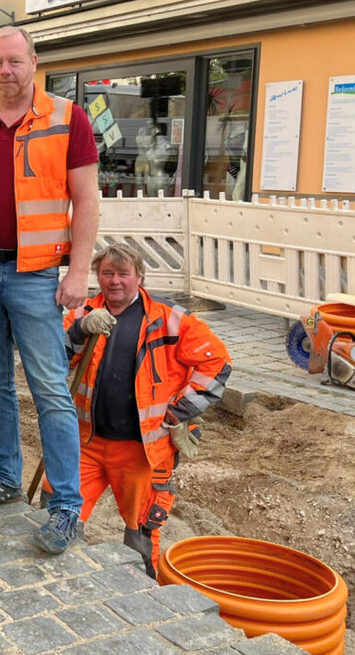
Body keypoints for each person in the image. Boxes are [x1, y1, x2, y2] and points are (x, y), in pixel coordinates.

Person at [0, 25, 99, 555]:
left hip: (34, 275)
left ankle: (65, 508)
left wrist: (78, 272)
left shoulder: (67, 118)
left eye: (14, 61)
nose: (5, 72)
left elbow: (86, 199)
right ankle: (6, 477)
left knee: (51, 390)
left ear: (34, 61)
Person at [60, 244, 231, 576]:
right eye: (107, 273)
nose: (114, 281)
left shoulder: (169, 319)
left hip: (141, 452)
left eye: (123, 274)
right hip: (85, 444)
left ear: (139, 277)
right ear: (98, 276)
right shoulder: (85, 313)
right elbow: (55, 359)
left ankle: (143, 600)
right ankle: (63, 586)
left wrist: (182, 411)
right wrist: (79, 330)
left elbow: (216, 361)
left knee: (140, 532)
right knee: (59, 512)